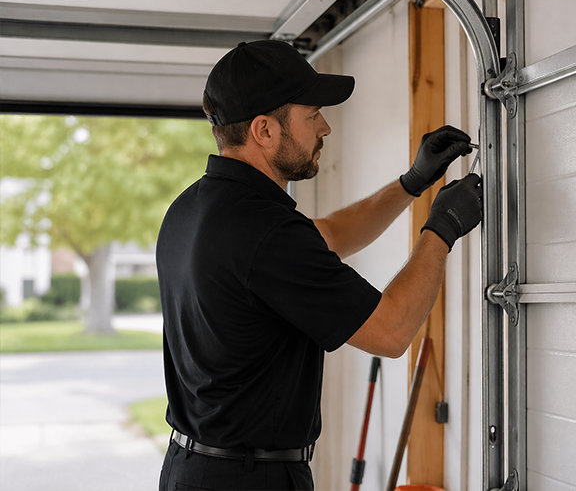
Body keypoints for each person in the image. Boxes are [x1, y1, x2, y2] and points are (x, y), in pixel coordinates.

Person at [156, 40, 482, 491]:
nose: (325, 127)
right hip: (249, 480)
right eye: (311, 116)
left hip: (191, 468)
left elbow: (328, 234)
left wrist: (412, 183)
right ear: (264, 130)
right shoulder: (266, 231)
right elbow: (391, 331)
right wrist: (441, 230)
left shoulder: (194, 208)